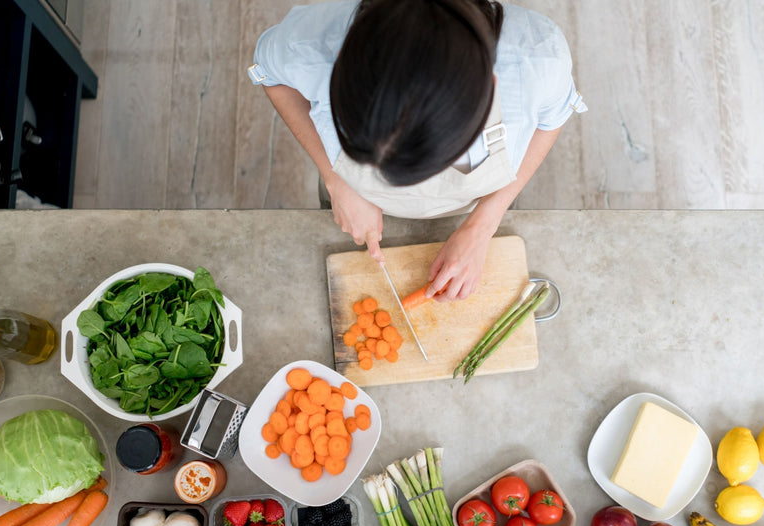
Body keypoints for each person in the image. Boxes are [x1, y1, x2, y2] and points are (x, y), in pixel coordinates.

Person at [248, 0, 585, 301]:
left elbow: (551, 120)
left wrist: (482, 225)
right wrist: (337, 181)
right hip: (349, 201)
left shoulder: (537, 59)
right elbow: (272, 76)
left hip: (480, 203)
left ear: (490, 87)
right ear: (339, 64)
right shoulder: (309, 42)